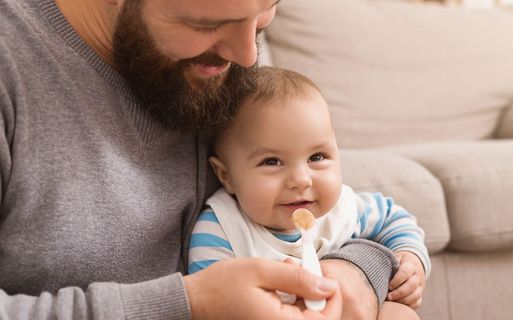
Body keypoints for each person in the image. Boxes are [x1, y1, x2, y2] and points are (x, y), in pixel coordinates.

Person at [0, 0, 404, 319]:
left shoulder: (225, 58)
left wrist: (356, 270)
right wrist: (188, 305)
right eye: (205, 25)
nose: (248, 58)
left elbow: (318, 210)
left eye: (264, 15)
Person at [189, 67, 431, 319]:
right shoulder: (221, 231)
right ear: (226, 176)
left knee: (399, 313)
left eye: (317, 157)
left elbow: (394, 218)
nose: (301, 180)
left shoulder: (344, 208)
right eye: (272, 162)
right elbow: (212, 303)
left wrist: (411, 258)